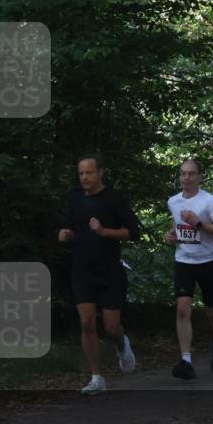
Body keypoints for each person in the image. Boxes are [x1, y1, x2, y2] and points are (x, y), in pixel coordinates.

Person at [58, 155, 141, 395]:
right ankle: (97, 377)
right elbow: (68, 229)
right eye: (81, 173)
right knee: (86, 322)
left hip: (110, 268)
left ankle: (122, 344)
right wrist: (65, 235)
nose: (84, 177)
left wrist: (104, 231)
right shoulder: (74, 199)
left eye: (89, 173)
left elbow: (133, 232)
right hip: (82, 268)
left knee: (111, 327)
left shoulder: (113, 199)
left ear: (100, 172)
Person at [164, 159, 213, 380]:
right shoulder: (173, 201)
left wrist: (198, 223)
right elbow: (176, 227)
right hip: (184, 261)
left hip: (208, 261)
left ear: (200, 177)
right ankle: (186, 360)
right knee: (182, 309)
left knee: (212, 310)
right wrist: (170, 235)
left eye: (191, 174)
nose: (186, 178)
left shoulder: (209, 201)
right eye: (183, 174)